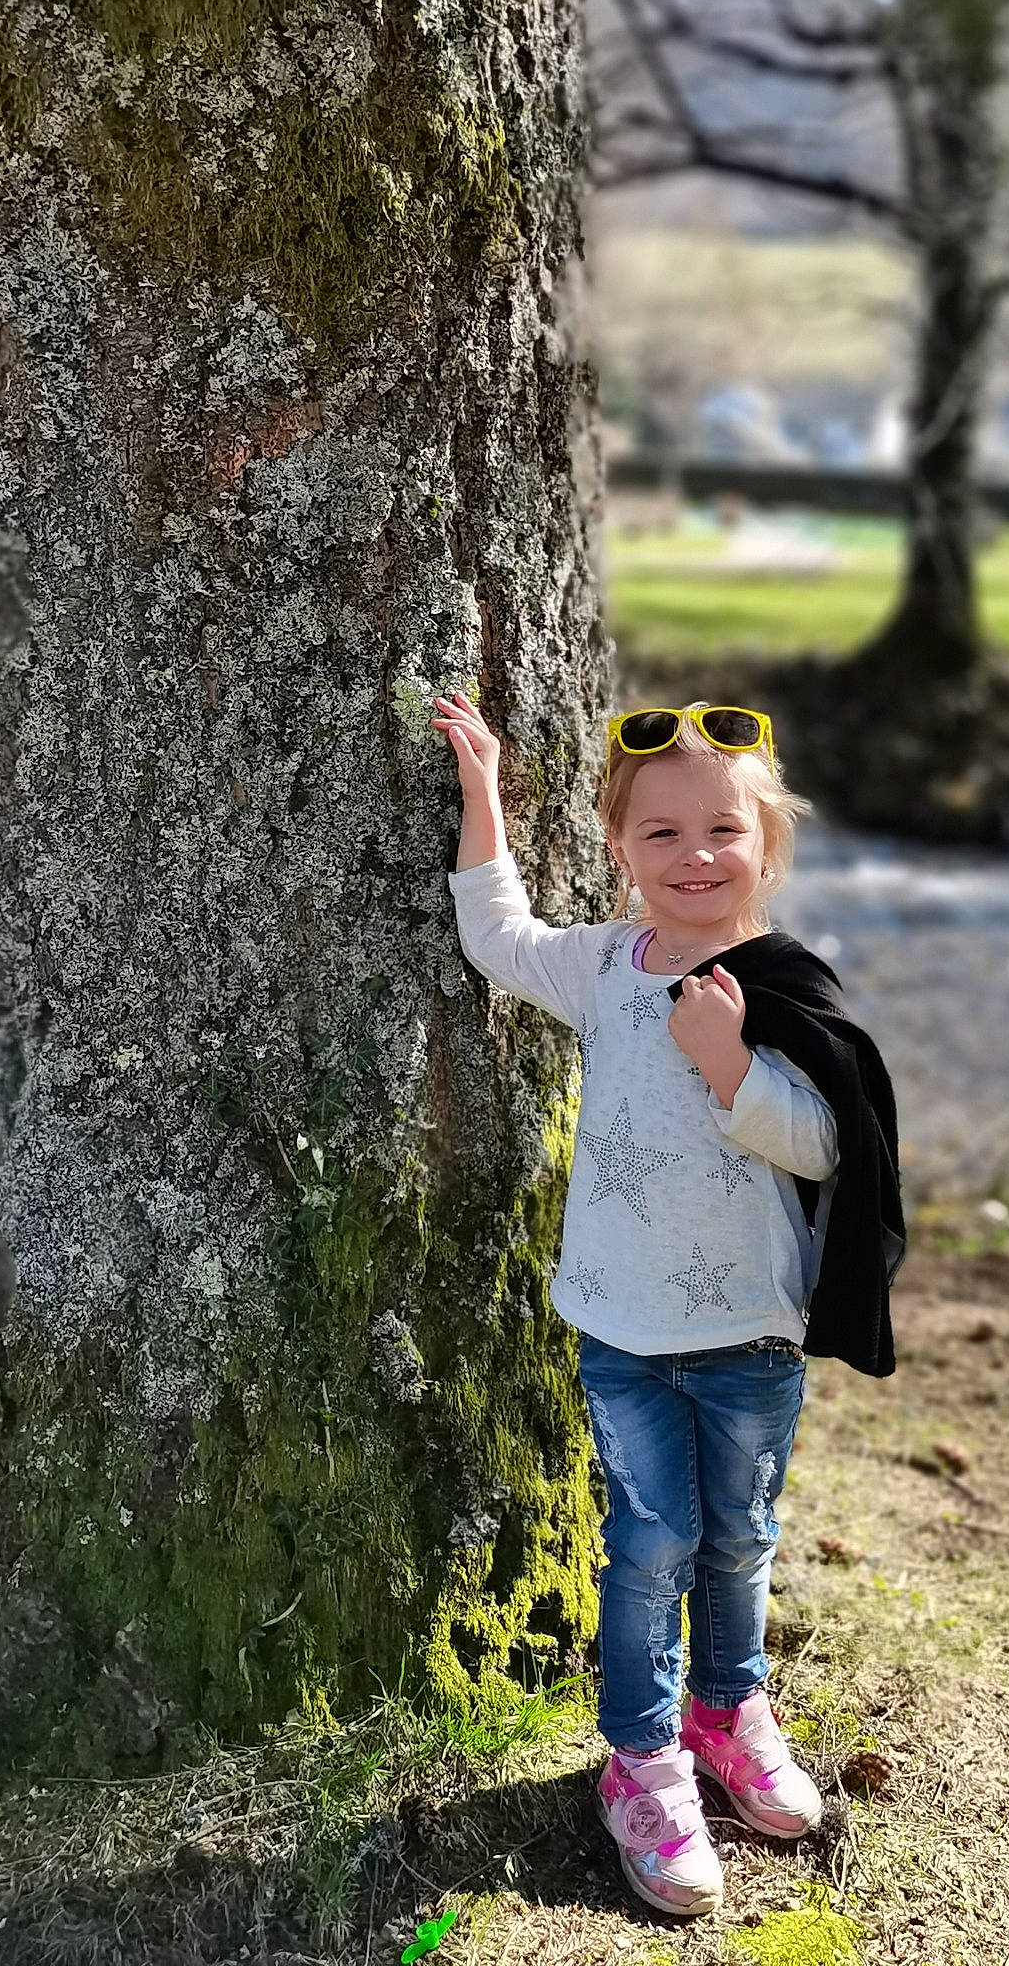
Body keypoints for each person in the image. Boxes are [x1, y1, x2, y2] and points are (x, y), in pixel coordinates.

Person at [432, 693, 904, 1918]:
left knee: (740, 1536)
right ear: (618, 848)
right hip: (626, 1332)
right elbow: (496, 933)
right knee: (651, 1547)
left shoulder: (780, 986)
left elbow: (824, 1146)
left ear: (767, 843)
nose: (694, 857)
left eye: (722, 832)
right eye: (661, 836)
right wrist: (481, 786)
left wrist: (730, 1062)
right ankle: (641, 1761)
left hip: (752, 1331)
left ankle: (727, 1710)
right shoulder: (602, 965)